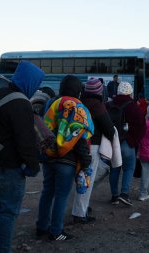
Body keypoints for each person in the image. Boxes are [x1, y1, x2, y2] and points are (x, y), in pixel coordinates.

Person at [0, 61, 44, 252]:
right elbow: (25, 141)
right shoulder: (20, 103)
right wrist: (33, 165)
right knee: (8, 213)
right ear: (29, 82)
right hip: (9, 169)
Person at [36, 75, 93, 240]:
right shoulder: (78, 107)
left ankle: (41, 227)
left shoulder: (51, 103)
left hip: (48, 156)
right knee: (61, 195)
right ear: (78, 91)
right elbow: (80, 137)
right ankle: (56, 231)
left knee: (47, 191)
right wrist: (85, 161)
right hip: (67, 160)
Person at [71, 78, 115, 223]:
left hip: (77, 144)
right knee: (87, 178)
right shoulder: (97, 105)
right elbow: (108, 128)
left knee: (83, 177)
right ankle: (80, 213)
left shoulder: (80, 102)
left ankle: (81, 208)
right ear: (99, 91)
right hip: (92, 146)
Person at [109, 82, 146, 206]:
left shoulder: (109, 104)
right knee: (129, 168)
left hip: (113, 143)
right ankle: (124, 194)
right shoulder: (133, 106)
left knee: (114, 169)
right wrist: (134, 141)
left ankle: (114, 196)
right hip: (127, 143)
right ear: (130, 92)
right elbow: (142, 126)